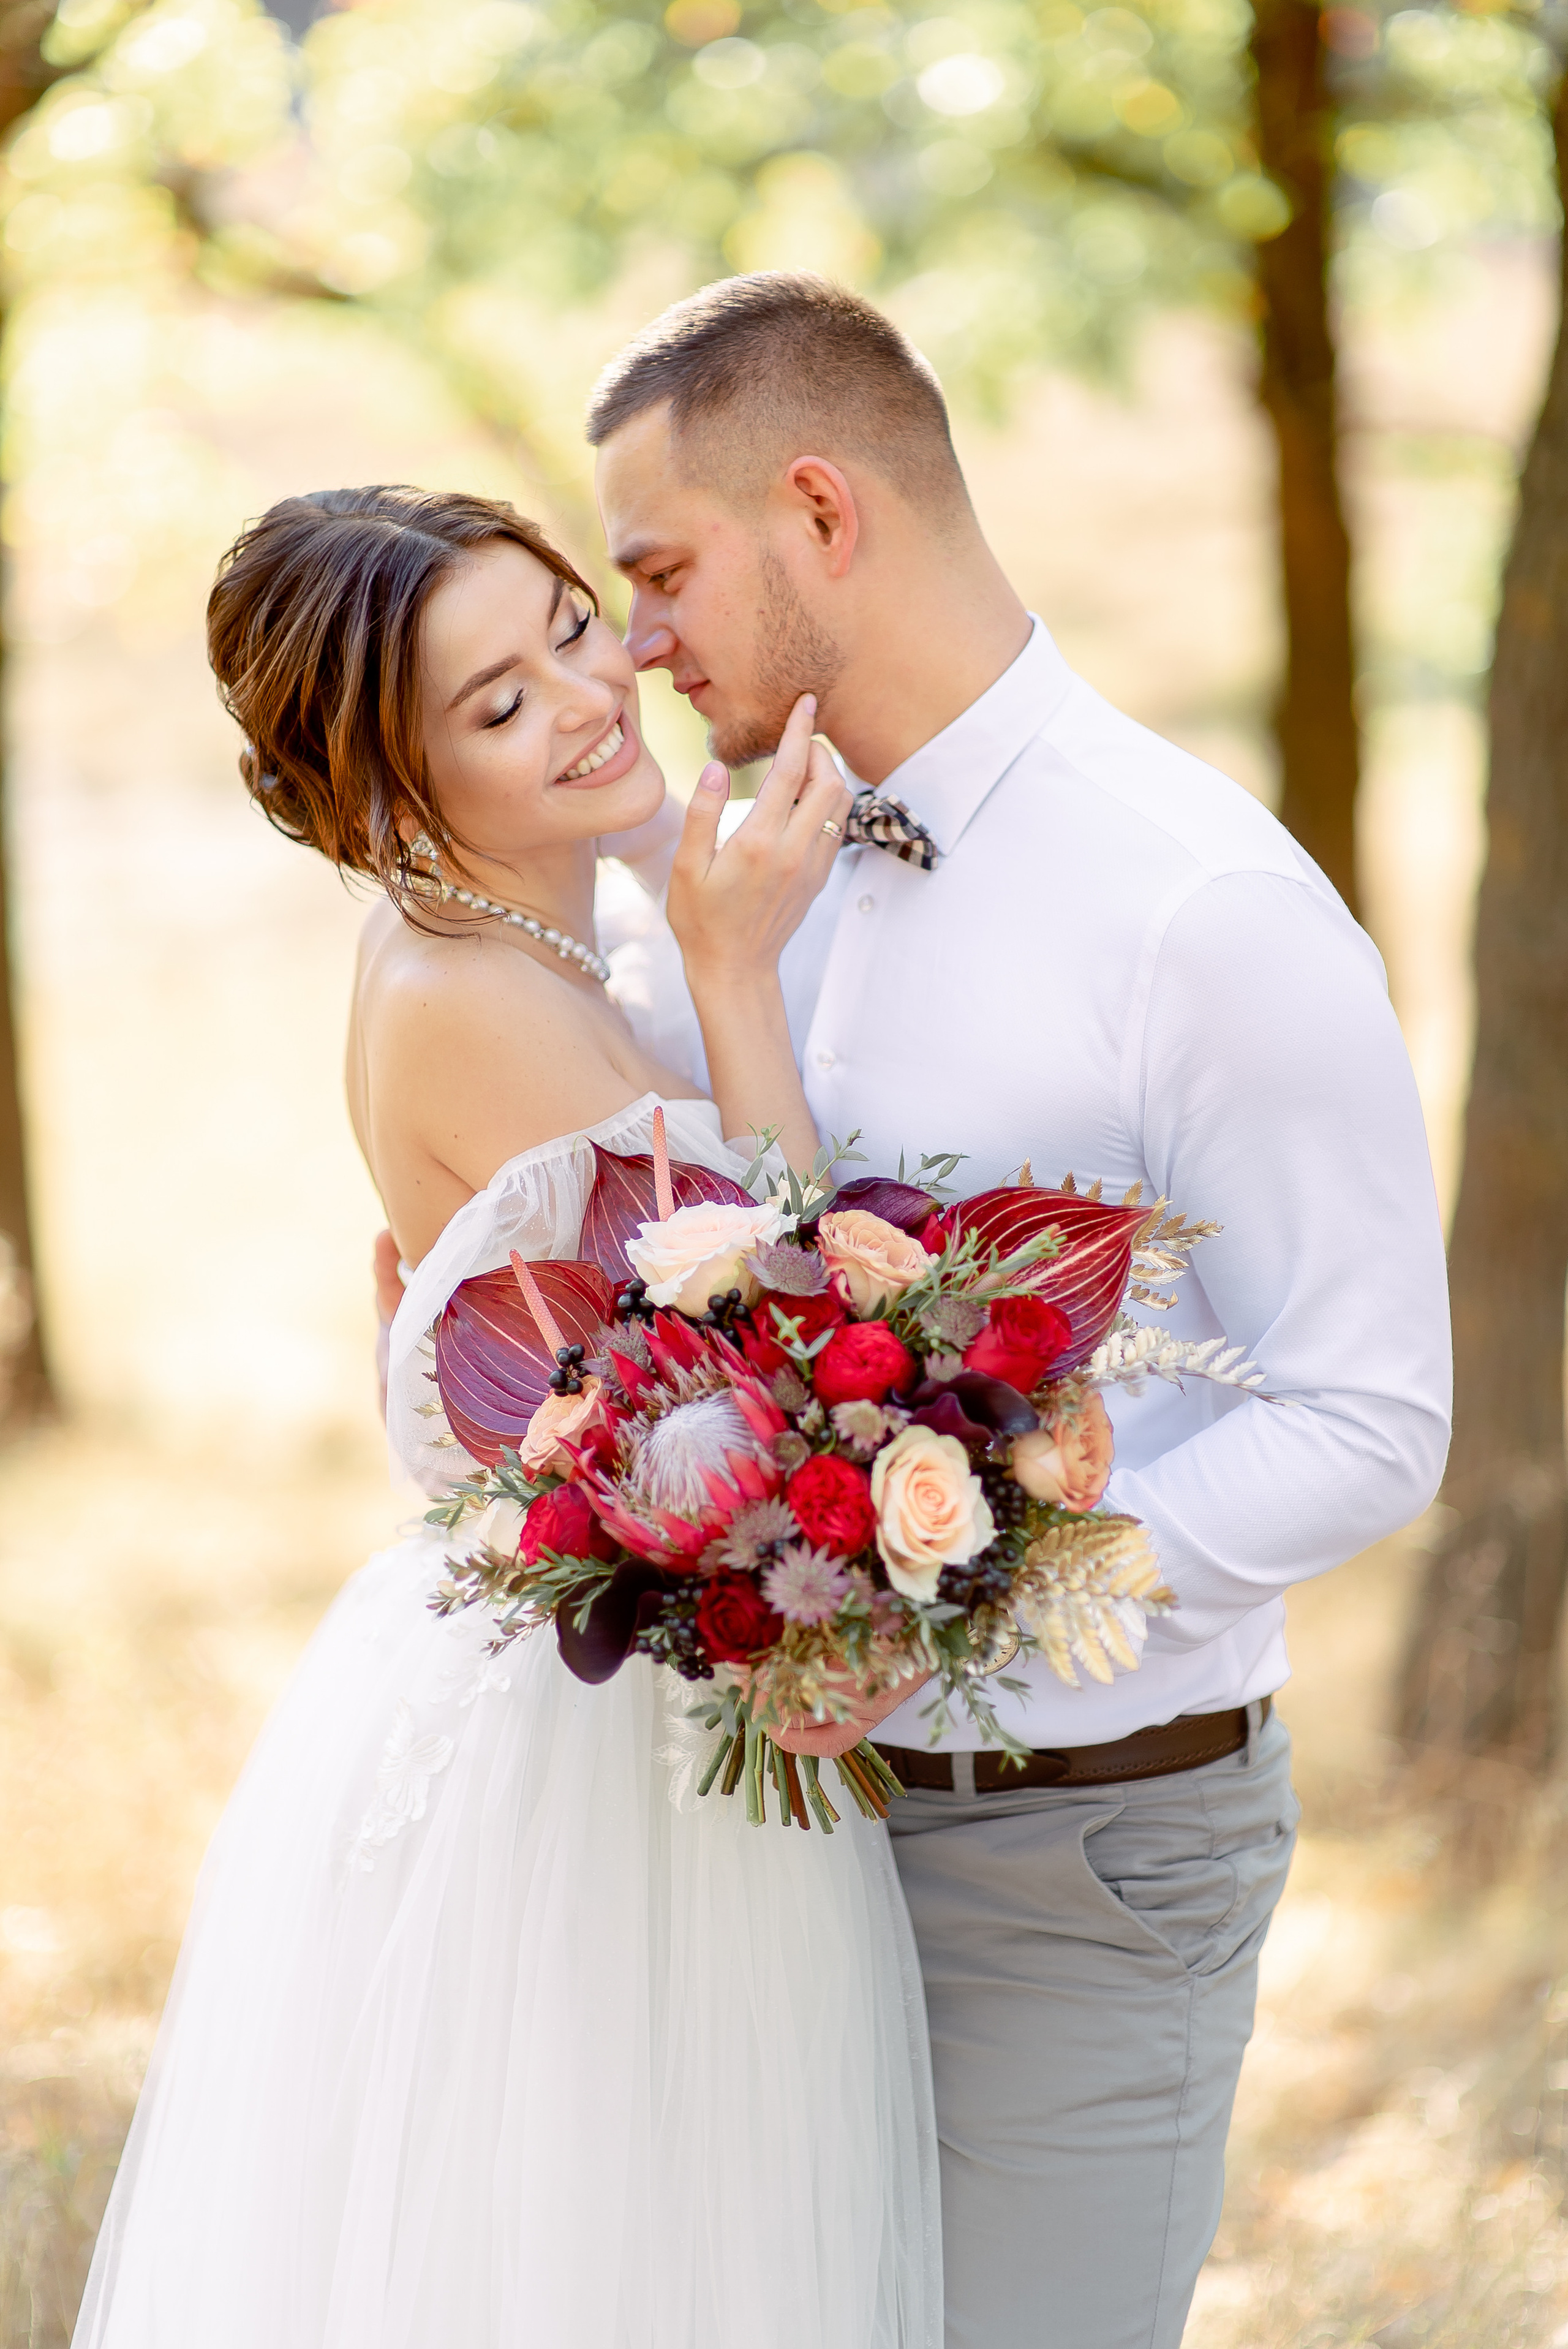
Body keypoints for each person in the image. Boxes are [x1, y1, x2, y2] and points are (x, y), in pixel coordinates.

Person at [575, 273, 1455, 2348]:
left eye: (662, 570)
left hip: (1085, 1865)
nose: (636, 638)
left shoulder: (1201, 910)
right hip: (785, 1858)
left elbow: (1372, 1413)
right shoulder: (747, 890)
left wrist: (981, 1594)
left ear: (819, 511)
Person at [72, 486, 941, 2349]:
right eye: (495, 704)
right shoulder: (470, 990)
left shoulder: (526, 927)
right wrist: (736, 966)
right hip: (594, 1736)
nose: (582, 693)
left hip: (581, 1657)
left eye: (564, 621)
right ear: (391, 793)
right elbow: (782, 1355)